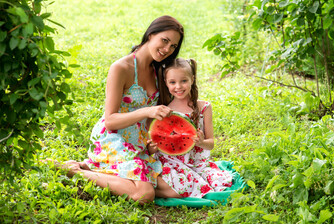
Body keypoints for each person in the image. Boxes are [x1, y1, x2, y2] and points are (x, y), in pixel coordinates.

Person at [48, 15, 185, 204]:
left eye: (173, 46)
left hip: (140, 141)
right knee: (143, 195)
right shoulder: (121, 67)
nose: (167, 49)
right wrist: (146, 112)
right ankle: (76, 171)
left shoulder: (160, 70)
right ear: (151, 34)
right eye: (164, 40)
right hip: (114, 138)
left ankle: (93, 168)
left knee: (174, 190)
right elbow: (110, 120)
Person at [148, 58, 233, 198]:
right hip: (172, 162)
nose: (178, 87)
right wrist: (152, 148)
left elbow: (211, 143)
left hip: (198, 163)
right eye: (172, 82)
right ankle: (150, 189)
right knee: (185, 186)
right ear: (165, 83)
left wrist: (201, 142)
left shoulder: (204, 107)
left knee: (214, 183)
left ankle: (153, 190)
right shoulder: (163, 111)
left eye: (184, 81)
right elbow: (153, 146)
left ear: (192, 79)